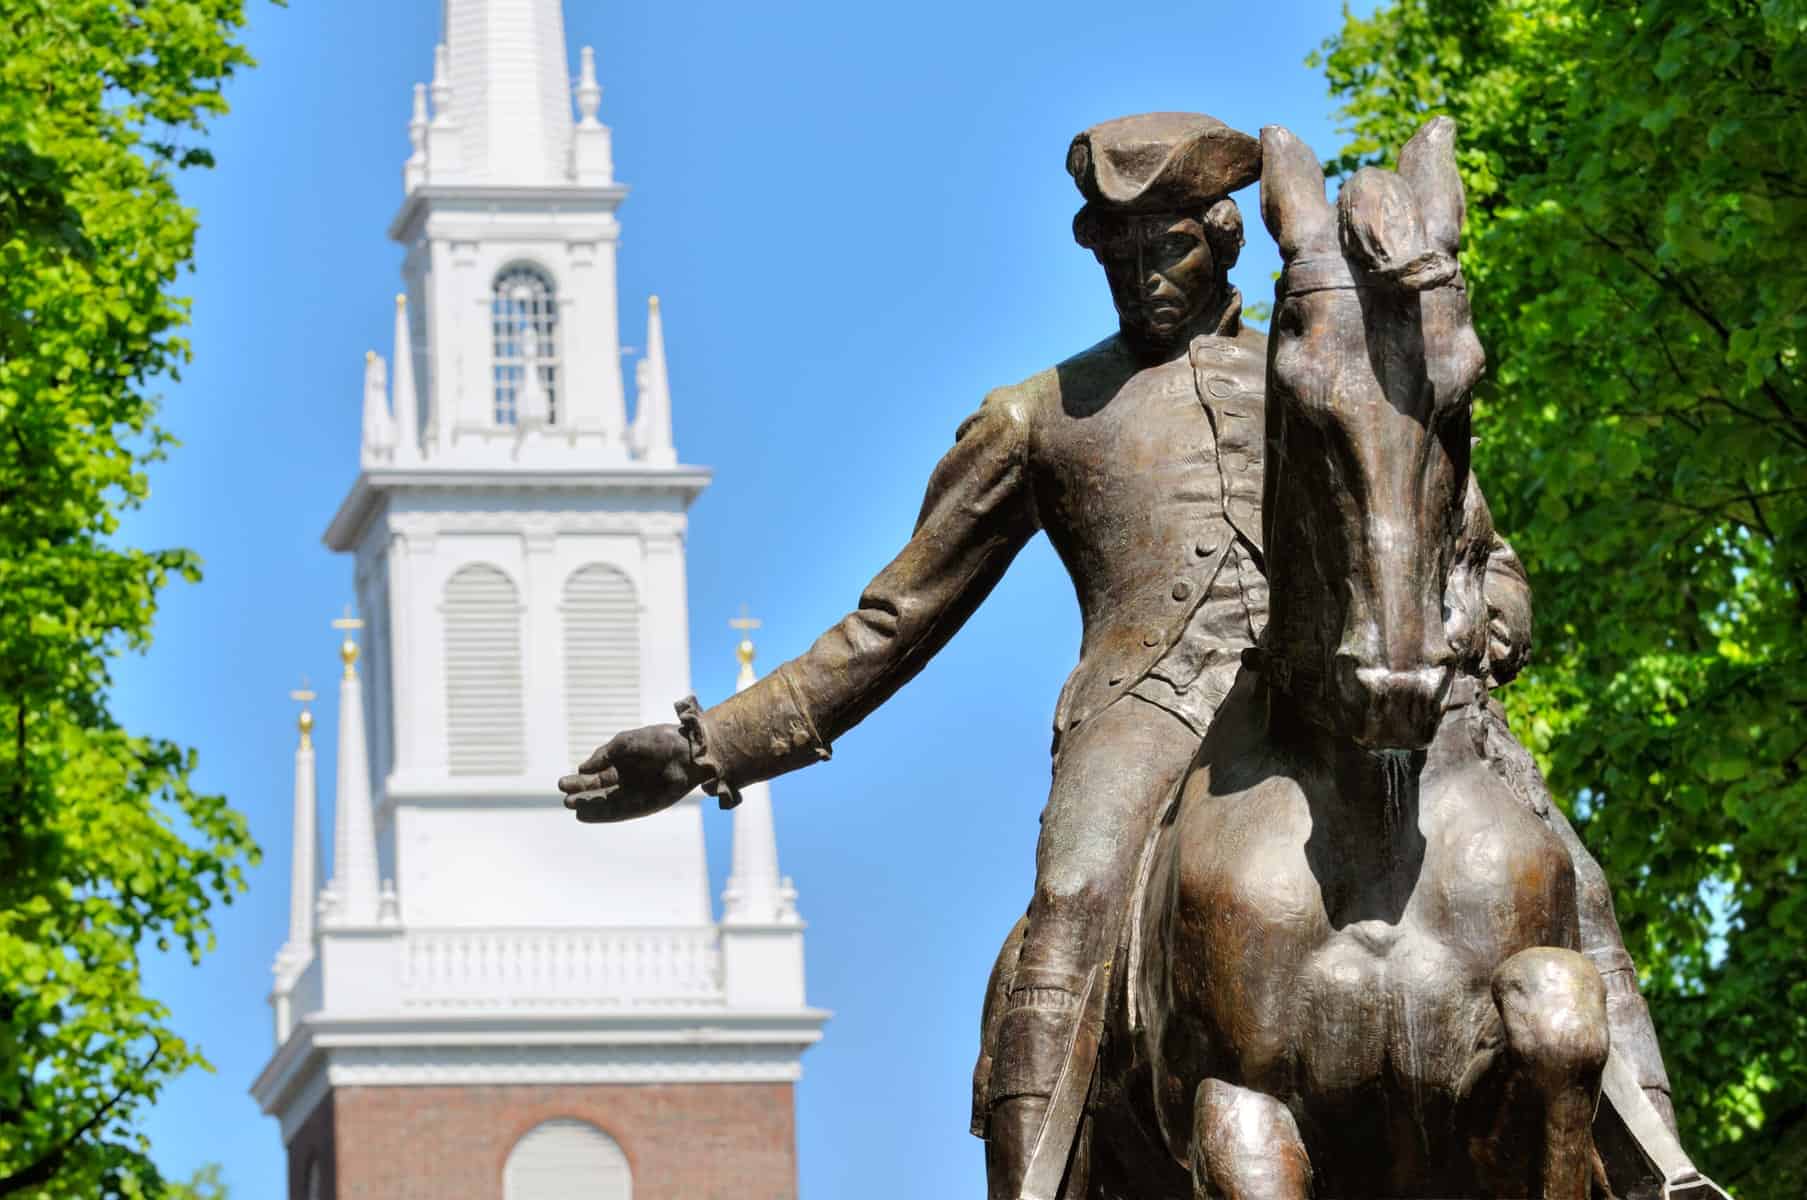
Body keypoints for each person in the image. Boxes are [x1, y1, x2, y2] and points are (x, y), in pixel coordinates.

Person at [557, 112, 1674, 1198]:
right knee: (1075, 898)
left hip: (1347, 677)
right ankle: (1042, 1179)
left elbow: (1464, 530)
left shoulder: (1319, 359)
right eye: (1117, 250)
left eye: (1167, 244)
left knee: (1556, 859)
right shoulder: (1037, 417)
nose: (1142, 272)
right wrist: (714, 749)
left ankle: (1658, 1160)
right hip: (1152, 708)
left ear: (1223, 236)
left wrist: (1497, 613)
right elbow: (895, 622)